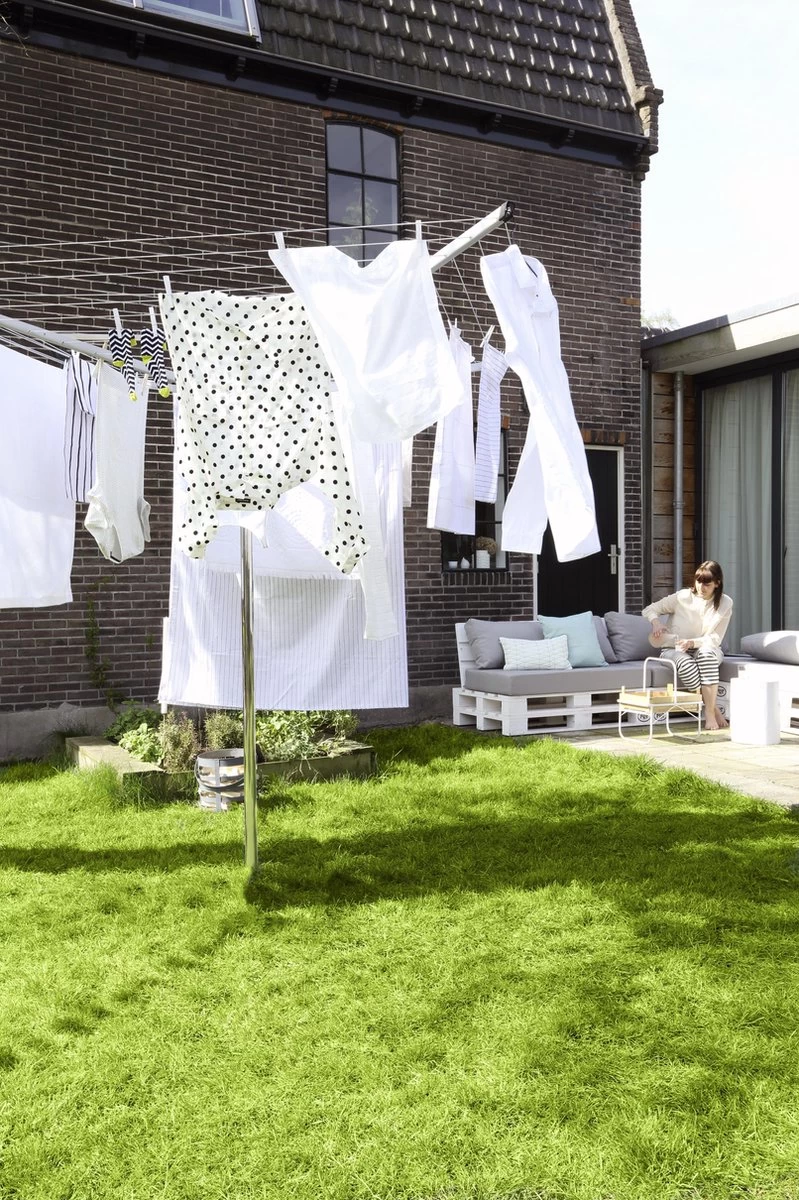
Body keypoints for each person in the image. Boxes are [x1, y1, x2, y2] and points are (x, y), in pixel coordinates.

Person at [642, 560, 733, 731]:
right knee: (687, 664)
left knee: (706, 656)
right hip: (674, 650)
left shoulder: (725, 603)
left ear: (717, 583)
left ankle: (709, 714)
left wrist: (692, 642)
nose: (701, 587)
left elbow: (715, 638)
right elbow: (650, 609)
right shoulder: (682, 597)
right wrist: (656, 623)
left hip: (706, 648)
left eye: (707, 583)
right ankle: (713, 708)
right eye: (698, 581)